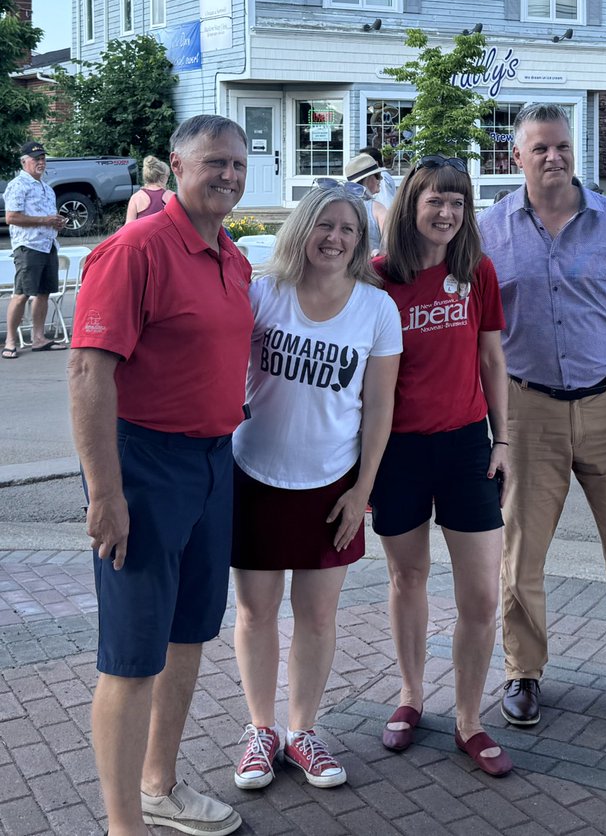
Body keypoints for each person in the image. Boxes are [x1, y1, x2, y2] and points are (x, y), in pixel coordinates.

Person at [68, 115, 253, 836]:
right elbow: (87, 372)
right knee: (132, 654)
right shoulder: (134, 251)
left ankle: (159, 787)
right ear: (177, 165)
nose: (228, 176)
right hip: (142, 466)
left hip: (213, 462)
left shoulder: (231, 256)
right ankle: (125, 827)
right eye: (214, 163)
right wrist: (106, 493)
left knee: (186, 636)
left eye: (237, 164)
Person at [478, 102, 606, 738]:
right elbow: (476, 335)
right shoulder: (488, 232)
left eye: (562, 145)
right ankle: (523, 671)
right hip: (527, 410)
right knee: (522, 554)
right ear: (516, 157)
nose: (554, 157)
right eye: (539, 148)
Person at [229, 185, 401, 793]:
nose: (334, 237)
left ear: (361, 241)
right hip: (255, 475)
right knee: (254, 611)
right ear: (302, 229)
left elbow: (380, 410)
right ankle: (260, 730)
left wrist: (363, 492)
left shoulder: (377, 309)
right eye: (323, 225)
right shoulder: (264, 292)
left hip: (333, 484)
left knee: (318, 615)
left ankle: (302, 730)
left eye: (348, 229)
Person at [371, 155, 514, 777]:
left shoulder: (475, 270)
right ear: (412, 203)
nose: (448, 213)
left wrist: (502, 439)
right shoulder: (376, 277)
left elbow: (492, 361)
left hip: (465, 447)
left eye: (458, 203)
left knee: (481, 595)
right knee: (408, 578)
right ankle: (409, 697)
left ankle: (469, 719)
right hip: (396, 449)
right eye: (437, 201)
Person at [3, 140, 68, 358]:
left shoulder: (47, 188)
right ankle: (11, 342)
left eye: (42, 158)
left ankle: (39, 338)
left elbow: (47, 218)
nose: (41, 162)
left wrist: (57, 222)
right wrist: (44, 220)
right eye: (36, 159)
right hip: (28, 246)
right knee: (21, 293)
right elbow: (11, 217)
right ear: (24, 162)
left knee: (43, 293)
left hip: (47, 244)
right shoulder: (18, 185)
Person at [342, 153, 388, 254]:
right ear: (368, 178)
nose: (380, 179)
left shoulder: (341, 206)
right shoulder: (377, 209)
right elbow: (389, 245)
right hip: (370, 267)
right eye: (378, 175)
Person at [125, 155, 173, 223]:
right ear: (163, 177)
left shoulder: (136, 198)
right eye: (168, 176)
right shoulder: (171, 196)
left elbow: (128, 228)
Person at [359, 146, 397, 210]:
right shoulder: (379, 176)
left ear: (375, 162)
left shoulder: (381, 177)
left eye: (364, 160)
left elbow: (387, 205)